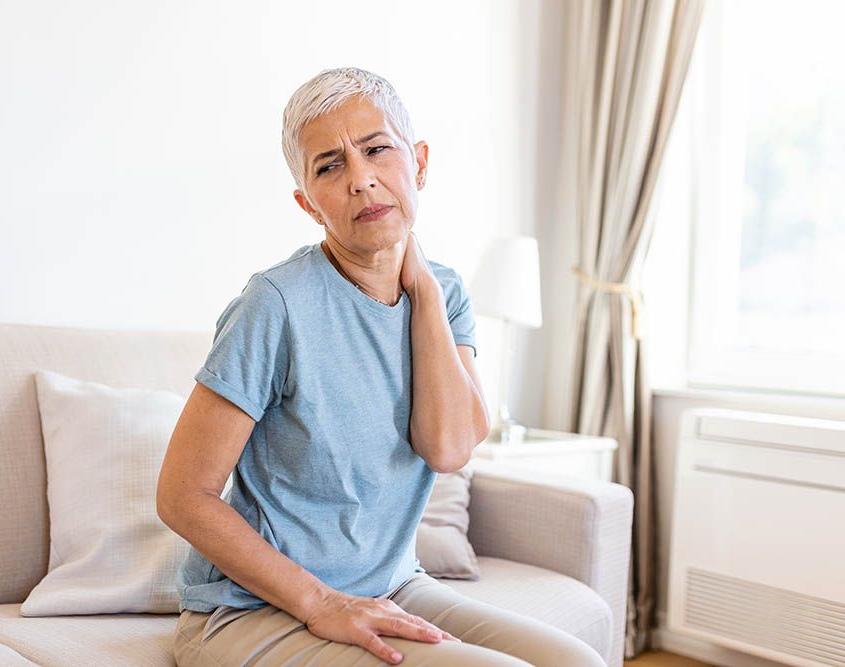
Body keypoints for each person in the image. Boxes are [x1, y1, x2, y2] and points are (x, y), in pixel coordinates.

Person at [157, 66, 606, 667]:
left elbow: (447, 448)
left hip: (392, 584)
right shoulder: (277, 304)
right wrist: (322, 603)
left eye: (376, 150)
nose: (362, 180)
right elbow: (183, 496)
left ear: (418, 164)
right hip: (251, 610)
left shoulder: (444, 292)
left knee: (577, 662)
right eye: (330, 166)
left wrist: (421, 293)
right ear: (308, 203)